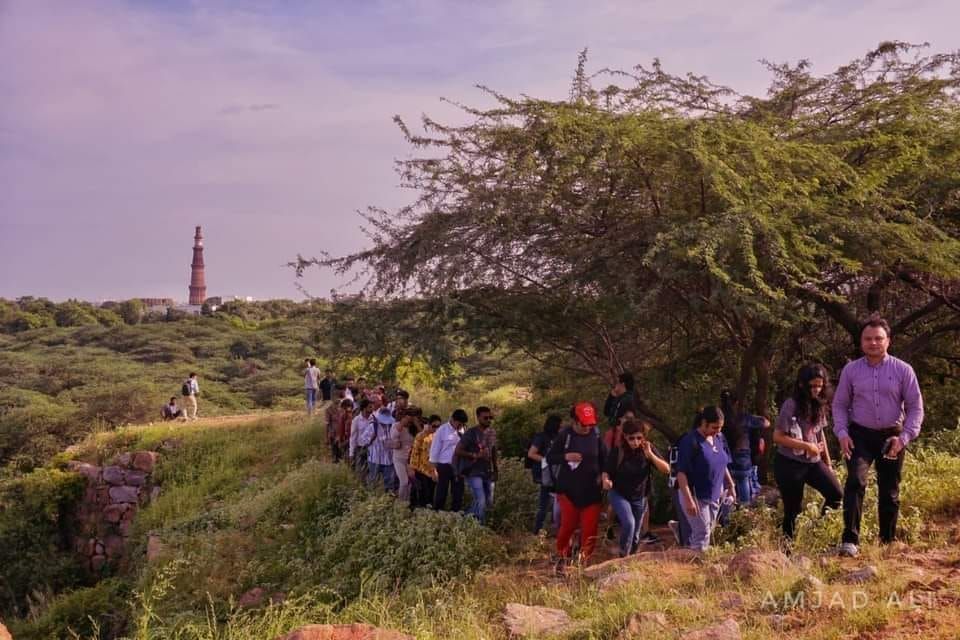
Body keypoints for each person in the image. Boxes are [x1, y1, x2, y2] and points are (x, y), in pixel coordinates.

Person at [833, 317, 924, 557]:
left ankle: (887, 541)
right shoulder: (851, 370)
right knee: (855, 482)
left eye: (878, 338)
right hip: (859, 435)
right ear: (861, 342)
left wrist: (904, 438)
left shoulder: (903, 370)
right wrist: (841, 432)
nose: (873, 343)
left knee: (889, 490)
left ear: (888, 341)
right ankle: (850, 541)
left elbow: (915, 408)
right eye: (868, 339)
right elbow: (840, 405)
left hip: (892, 437)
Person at [774, 364, 843, 539]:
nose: (816, 389)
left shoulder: (820, 403)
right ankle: (787, 547)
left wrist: (827, 463)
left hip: (813, 463)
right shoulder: (791, 405)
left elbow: (820, 434)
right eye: (812, 386)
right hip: (790, 463)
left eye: (819, 386)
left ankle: (816, 531)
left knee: (836, 494)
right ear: (801, 385)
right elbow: (778, 437)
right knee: (793, 509)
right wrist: (806, 446)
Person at [548, 402, 607, 572]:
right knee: (568, 526)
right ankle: (562, 557)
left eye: (590, 424)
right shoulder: (565, 435)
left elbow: (606, 459)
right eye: (583, 424)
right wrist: (566, 456)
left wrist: (604, 475)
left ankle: (583, 563)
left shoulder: (595, 435)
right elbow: (551, 457)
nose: (587, 427)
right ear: (574, 421)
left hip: (591, 490)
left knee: (590, 529)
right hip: (568, 490)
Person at [602, 418, 670, 557]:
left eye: (639, 437)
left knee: (635, 535)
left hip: (640, 496)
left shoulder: (647, 450)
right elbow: (606, 471)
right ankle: (623, 555)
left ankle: (629, 557)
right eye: (631, 438)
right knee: (629, 523)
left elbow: (666, 469)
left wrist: (650, 455)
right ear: (625, 437)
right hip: (619, 493)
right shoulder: (618, 451)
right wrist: (606, 480)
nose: (635, 441)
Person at [675, 406, 736, 552]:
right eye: (715, 427)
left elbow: (723, 463)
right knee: (702, 534)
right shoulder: (690, 441)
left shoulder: (719, 438)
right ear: (704, 423)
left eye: (720, 427)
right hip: (695, 494)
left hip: (715, 493)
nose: (718, 431)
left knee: (708, 529)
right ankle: (697, 567)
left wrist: (731, 485)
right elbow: (681, 473)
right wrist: (689, 500)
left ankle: (681, 532)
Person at [719, 390, 769, 506]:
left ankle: (726, 516)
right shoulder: (743, 418)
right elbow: (766, 423)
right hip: (742, 457)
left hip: (724, 457)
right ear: (736, 403)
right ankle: (744, 513)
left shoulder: (718, 419)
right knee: (743, 483)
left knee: (726, 488)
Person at [456, 407, 498, 523]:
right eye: (486, 418)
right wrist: (475, 455)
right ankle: (480, 526)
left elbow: (493, 451)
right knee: (481, 499)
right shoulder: (471, 433)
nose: (489, 420)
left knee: (488, 501)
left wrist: (496, 469)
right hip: (473, 471)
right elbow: (458, 451)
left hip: (487, 470)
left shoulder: (492, 432)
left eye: (491, 418)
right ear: (478, 417)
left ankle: (464, 518)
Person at [527, 414, 563, 534]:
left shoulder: (559, 437)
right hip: (546, 473)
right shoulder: (541, 437)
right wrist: (546, 460)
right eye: (560, 424)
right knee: (544, 504)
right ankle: (538, 530)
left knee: (555, 503)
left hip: (557, 473)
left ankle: (552, 529)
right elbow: (531, 453)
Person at [429, 409, 468, 512]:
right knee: (441, 492)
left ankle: (455, 514)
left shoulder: (463, 430)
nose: (460, 426)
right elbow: (434, 451)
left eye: (462, 424)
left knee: (458, 493)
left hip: (459, 466)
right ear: (453, 419)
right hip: (444, 466)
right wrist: (433, 470)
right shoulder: (442, 430)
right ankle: (437, 513)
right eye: (459, 424)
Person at [360, 406, 397, 492]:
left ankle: (388, 500)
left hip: (388, 460)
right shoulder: (373, 426)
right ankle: (372, 499)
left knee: (389, 483)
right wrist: (371, 438)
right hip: (374, 459)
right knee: (373, 482)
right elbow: (362, 440)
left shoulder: (392, 426)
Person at [410, 414, 440, 509]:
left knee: (430, 493)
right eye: (434, 426)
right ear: (429, 424)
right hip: (421, 469)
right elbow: (415, 453)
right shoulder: (421, 436)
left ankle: (427, 511)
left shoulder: (437, 437)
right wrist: (413, 469)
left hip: (432, 469)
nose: (436, 428)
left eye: (438, 426)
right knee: (422, 492)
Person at [389, 406, 419, 501]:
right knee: (404, 482)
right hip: (398, 458)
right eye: (408, 417)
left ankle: (406, 503)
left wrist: (416, 423)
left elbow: (420, 436)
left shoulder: (413, 428)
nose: (409, 421)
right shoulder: (396, 425)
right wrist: (402, 424)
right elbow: (394, 435)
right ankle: (400, 504)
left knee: (410, 484)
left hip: (410, 460)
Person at [348, 398, 375, 479]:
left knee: (372, 472)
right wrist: (351, 453)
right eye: (370, 407)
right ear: (364, 408)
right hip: (361, 449)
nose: (372, 409)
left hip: (372, 448)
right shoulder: (356, 420)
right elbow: (353, 437)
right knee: (361, 472)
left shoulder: (374, 419)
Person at [326, 386, 346, 462]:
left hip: (343, 435)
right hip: (333, 434)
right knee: (335, 454)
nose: (337, 398)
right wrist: (327, 437)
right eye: (335, 397)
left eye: (338, 396)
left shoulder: (344, 409)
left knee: (342, 454)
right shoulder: (329, 410)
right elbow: (327, 424)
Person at [335, 398, 353, 464]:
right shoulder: (343, 417)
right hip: (345, 441)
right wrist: (340, 441)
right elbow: (341, 430)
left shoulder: (355, 418)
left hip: (352, 442)